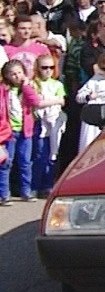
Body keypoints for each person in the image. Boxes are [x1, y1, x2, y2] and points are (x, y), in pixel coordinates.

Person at [0, 60, 62, 204]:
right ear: (7, 76)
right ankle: (4, 194)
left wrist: (26, 86)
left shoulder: (28, 87)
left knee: (25, 162)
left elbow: (36, 101)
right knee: (6, 163)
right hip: (8, 132)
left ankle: (26, 192)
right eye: (13, 74)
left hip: (25, 131)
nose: (17, 76)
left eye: (19, 73)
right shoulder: (4, 90)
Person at [31, 54, 66, 198]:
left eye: (51, 67)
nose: (48, 71)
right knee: (39, 154)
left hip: (54, 122)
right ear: (38, 68)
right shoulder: (34, 83)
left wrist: (47, 101)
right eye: (44, 67)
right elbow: (36, 102)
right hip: (39, 123)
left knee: (53, 155)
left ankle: (48, 185)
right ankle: (35, 186)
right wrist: (54, 100)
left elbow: (62, 101)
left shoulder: (57, 84)